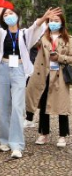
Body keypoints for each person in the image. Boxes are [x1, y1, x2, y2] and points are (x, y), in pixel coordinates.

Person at [0, 6, 59, 159]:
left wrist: (44, 17)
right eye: (6, 15)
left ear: (17, 15)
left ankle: (16, 144)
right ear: (3, 19)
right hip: (3, 68)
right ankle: (4, 140)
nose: (9, 16)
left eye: (11, 13)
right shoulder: (2, 34)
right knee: (3, 105)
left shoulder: (24, 34)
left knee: (17, 106)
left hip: (19, 69)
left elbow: (35, 27)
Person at [26, 12, 71, 148]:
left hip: (60, 75)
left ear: (62, 22)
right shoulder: (43, 38)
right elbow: (30, 41)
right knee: (44, 103)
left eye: (56, 20)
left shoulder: (68, 39)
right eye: (51, 20)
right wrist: (42, 20)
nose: (53, 23)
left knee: (61, 106)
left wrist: (60, 58)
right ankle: (43, 133)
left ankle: (62, 135)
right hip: (43, 74)